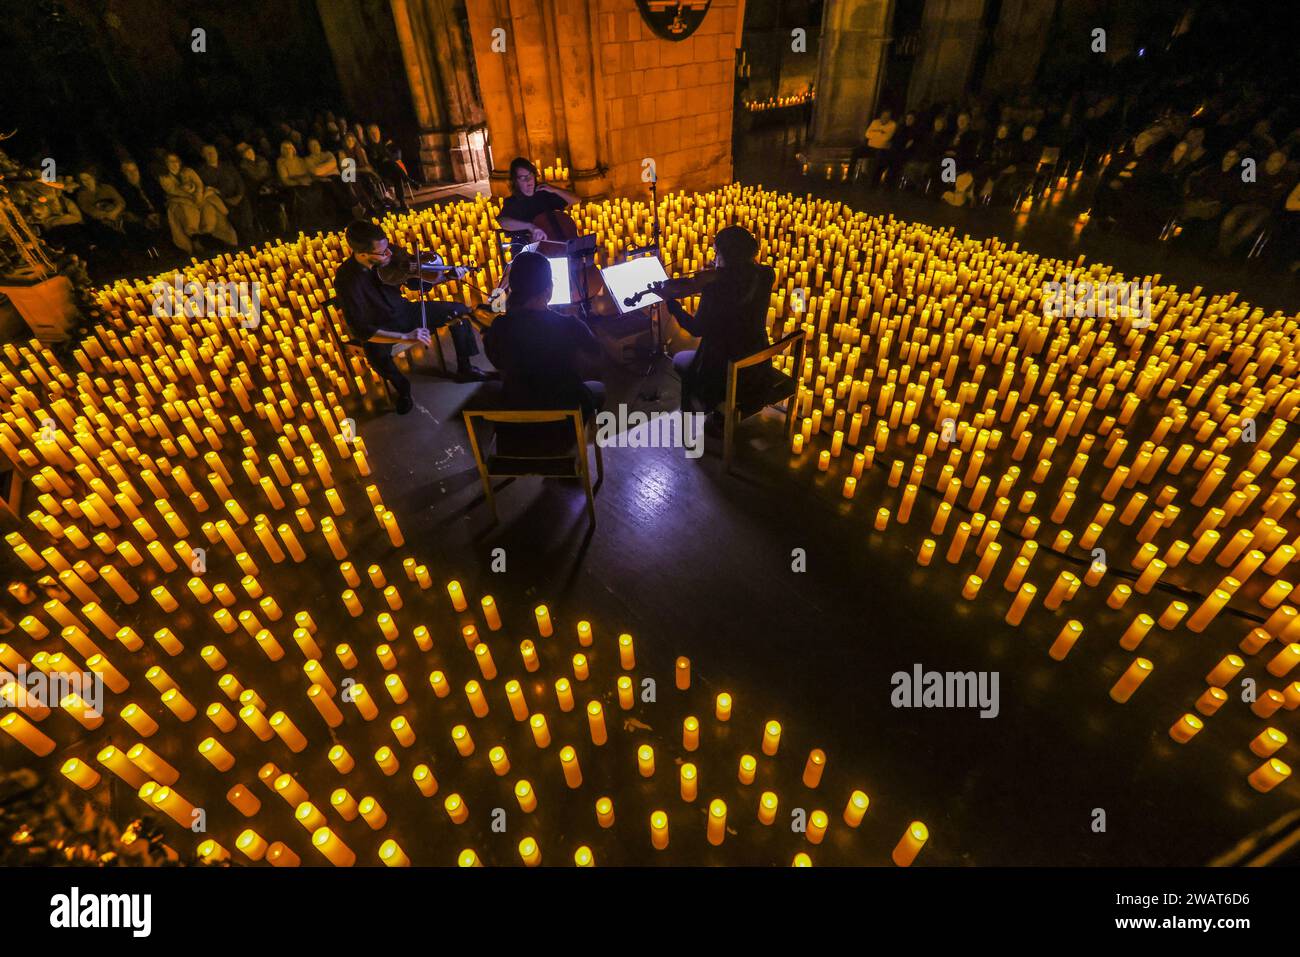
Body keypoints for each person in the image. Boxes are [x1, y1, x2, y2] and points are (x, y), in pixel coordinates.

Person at [333, 220, 486, 413]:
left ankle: (465, 367)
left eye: (387, 247)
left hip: (404, 311)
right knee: (377, 357)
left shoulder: (392, 254)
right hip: (379, 326)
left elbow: (414, 283)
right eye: (382, 252)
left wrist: (446, 277)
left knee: (459, 311)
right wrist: (405, 337)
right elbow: (360, 329)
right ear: (362, 254)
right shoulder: (347, 279)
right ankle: (403, 389)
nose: (389, 253)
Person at [660, 225, 775, 427]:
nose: (714, 258)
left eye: (716, 252)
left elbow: (696, 329)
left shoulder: (715, 289)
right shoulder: (766, 274)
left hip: (723, 371)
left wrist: (672, 305)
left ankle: (708, 407)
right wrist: (718, 274)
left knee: (680, 359)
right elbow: (740, 280)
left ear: (725, 255)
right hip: (758, 363)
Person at [482, 250, 604, 418]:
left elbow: (498, 362)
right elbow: (596, 355)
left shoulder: (499, 326)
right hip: (565, 420)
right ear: (548, 289)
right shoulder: (570, 324)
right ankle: (579, 436)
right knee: (598, 388)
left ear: (511, 288)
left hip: (518, 418)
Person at [158, 152, 237, 254]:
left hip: (198, 197)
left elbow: (199, 184)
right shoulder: (165, 177)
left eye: (176, 161)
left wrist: (198, 196)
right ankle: (195, 240)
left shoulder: (188, 171)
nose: (174, 164)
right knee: (187, 213)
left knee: (210, 208)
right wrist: (190, 195)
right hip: (181, 201)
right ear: (166, 163)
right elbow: (173, 191)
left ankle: (218, 238)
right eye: (170, 161)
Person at [497, 157, 580, 246]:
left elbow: (576, 200)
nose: (528, 180)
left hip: (555, 244)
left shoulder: (544, 193)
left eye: (530, 175)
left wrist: (555, 189)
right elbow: (503, 222)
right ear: (515, 181)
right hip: (528, 248)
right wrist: (530, 226)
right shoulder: (512, 202)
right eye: (522, 177)